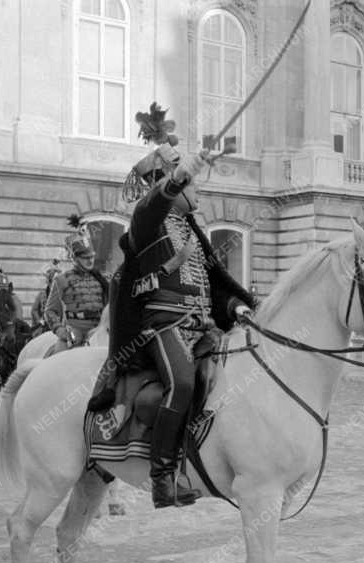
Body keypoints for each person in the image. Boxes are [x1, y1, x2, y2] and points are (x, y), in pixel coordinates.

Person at [111, 101, 257, 509]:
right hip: (163, 325)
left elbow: (215, 284)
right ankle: (162, 478)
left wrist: (237, 307)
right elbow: (154, 203)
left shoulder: (192, 231)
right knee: (183, 383)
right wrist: (180, 174)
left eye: (193, 183)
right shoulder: (147, 223)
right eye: (192, 185)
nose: (198, 190)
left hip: (202, 326)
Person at [44, 217, 108, 356]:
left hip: (98, 331)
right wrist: (60, 330)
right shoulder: (61, 280)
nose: (90, 261)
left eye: (91, 257)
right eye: (85, 258)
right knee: (58, 361)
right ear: (74, 258)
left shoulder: (102, 280)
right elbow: (50, 311)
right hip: (74, 332)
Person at [31, 260, 62, 330]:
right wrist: (39, 320)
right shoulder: (42, 295)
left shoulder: (63, 295)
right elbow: (34, 310)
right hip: (44, 326)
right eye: (52, 283)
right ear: (49, 282)